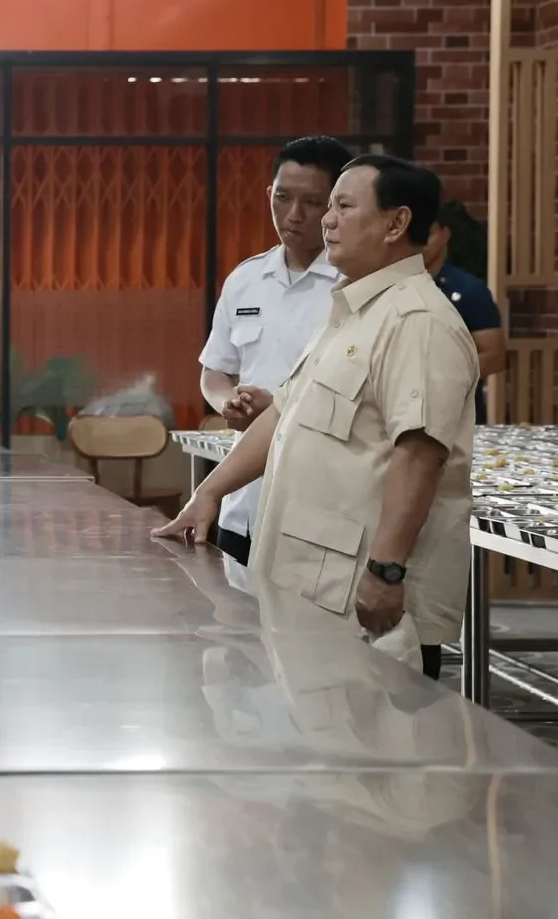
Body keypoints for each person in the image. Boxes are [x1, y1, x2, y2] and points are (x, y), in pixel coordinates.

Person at [156, 156, 479, 681]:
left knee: (378, 751)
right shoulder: (353, 312)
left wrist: (387, 569)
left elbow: (419, 454)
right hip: (314, 585)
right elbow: (284, 413)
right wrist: (208, 493)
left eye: (342, 206)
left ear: (397, 223)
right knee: (321, 746)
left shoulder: (417, 320)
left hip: (364, 591)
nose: (326, 220)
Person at [199, 136, 350, 578]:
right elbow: (215, 370)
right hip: (244, 500)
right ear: (268, 194)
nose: (293, 215)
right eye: (282, 198)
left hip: (322, 510)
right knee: (238, 639)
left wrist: (281, 412)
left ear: (337, 204)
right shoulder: (246, 279)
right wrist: (227, 402)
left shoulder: (356, 285)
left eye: (312, 202)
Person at [423, 202, 505, 423]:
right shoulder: (390, 285)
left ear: (444, 234)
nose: (420, 244)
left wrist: (442, 373)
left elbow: (495, 356)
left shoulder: (469, 290)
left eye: (427, 234)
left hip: (457, 414)